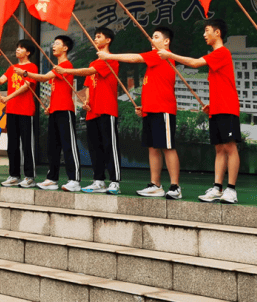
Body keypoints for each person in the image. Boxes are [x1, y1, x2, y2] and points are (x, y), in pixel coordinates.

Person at [159, 19, 239, 204]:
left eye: (207, 30)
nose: (204, 34)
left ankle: (231, 189)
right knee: (219, 149)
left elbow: (195, 63)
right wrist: (212, 104)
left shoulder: (222, 52)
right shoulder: (215, 55)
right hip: (217, 108)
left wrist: (170, 55)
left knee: (230, 147)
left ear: (217, 33)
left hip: (227, 107)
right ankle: (217, 187)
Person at [97, 26, 181, 199]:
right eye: (152, 37)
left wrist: (109, 56)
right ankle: (155, 185)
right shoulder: (154, 61)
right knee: (153, 148)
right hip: (150, 110)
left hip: (163, 109)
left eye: (156, 37)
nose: (152, 40)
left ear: (166, 41)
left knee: (167, 147)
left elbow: (135, 57)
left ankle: (175, 187)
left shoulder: (162, 55)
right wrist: (145, 106)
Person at [21, 35, 82, 192]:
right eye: (53, 43)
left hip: (65, 110)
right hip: (54, 110)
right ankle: (52, 179)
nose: (53, 46)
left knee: (68, 146)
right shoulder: (57, 67)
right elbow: (56, 90)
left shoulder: (65, 65)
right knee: (53, 147)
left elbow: (42, 78)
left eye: (57, 44)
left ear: (65, 48)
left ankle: (74, 179)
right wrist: (50, 106)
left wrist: (26, 73)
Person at [63, 27, 120, 195]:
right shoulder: (93, 62)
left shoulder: (111, 60)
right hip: (92, 111)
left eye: (99, 36)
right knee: (95, 148)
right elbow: (88, 84)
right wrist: (87, 101)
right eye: (95, 36)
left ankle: (115, 182)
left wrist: (67, 71)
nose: (95, 39)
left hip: (107, 108)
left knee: (110, 146)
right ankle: (98, 181)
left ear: (108, 40)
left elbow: (89, 72)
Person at [0, 39, 37, 188]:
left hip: (25, 110)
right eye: (17, 47)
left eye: (21, 48)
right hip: (12, 110)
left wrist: (8, 97)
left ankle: (29, 177)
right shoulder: (12, 67)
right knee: (12, 145)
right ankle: (14, 175)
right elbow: (1, 81)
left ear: (28, 52)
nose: (17, 50)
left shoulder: (31, 67)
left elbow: (26, 86)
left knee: (27, 145)